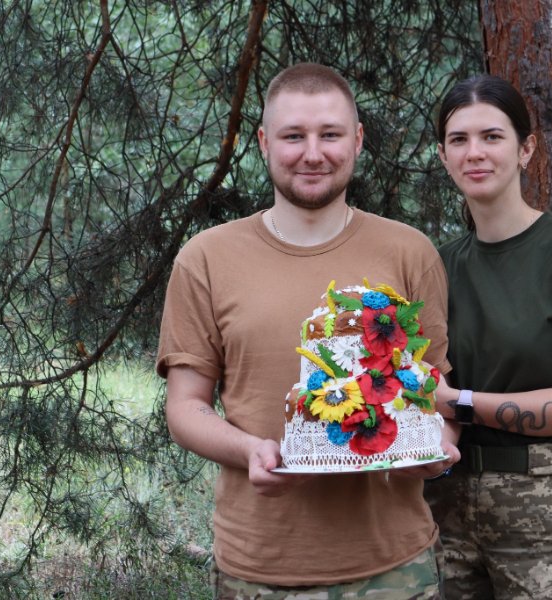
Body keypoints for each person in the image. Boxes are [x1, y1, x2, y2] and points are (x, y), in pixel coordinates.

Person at [157, 62, 459, 599]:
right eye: (293, 136)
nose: (313, 153)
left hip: (395, 568)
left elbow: (435, 389)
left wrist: (436, 451)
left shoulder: (410, 252)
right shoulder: (205, 258)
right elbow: (184, 407)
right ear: (264, 142)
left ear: (357, 141)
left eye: (330, 135)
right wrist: (250, 450)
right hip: (258, 567)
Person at [423, 74, 552, 600]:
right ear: (444, 156)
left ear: (526, 149)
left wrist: (457, 402)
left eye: (492, 136)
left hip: (545, 507)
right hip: (444, 510)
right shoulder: (436, 265)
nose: (475, 152)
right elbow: (425, 383)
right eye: (458, 140)